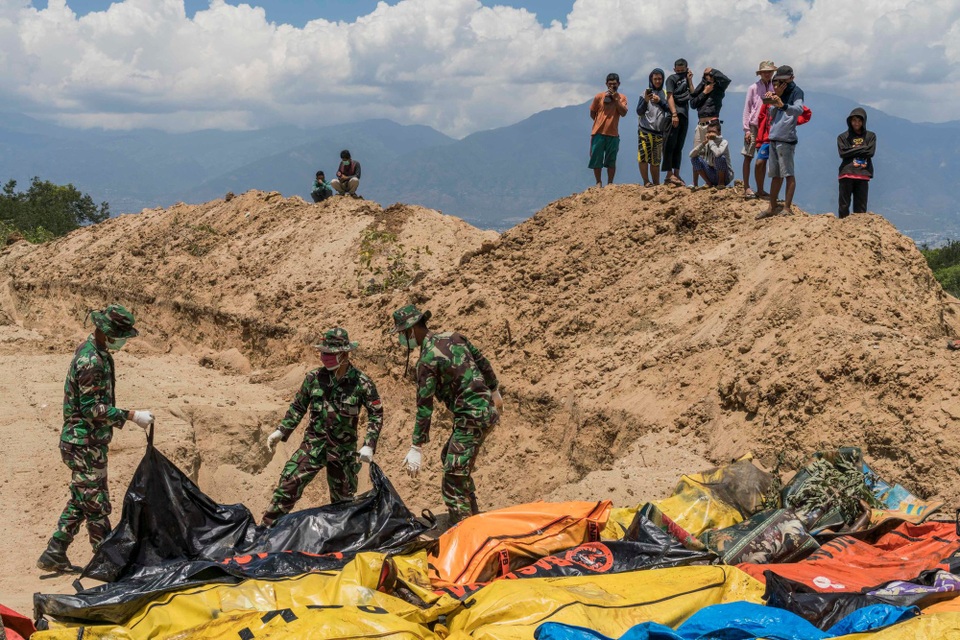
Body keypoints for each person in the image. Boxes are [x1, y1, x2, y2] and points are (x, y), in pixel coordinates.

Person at [37, 304, 155, 573]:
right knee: (96, 504)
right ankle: (107, 562)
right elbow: (92, 408)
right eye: (121, 335)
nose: (123, 341)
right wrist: (130, 415)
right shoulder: (91, 361)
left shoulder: (98, 352)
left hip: (87, 442)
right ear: (107, 331)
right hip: (83, 444)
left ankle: (55, 551)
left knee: (83, 498)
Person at [389, 305, 503, 525]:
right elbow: (483, 363)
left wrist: (416, 447)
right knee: (451, 459)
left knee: (452, 477)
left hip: (471, 418)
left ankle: (464, 529)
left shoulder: (426, 362)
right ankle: (473, 515)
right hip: (483, 412)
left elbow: (424, 406)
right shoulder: (455, 337)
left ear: (411, 331)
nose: (402, 340)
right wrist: (494, 390)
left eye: (402, 334)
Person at [261, 327, 383, 526]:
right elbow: (298, 407)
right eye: (323, 353)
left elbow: (376, 413)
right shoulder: (313, 378)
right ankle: (265, 532)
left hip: (343, 452)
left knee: (343, 504)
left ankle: (342, 544)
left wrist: (369, 444)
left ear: (344, 354)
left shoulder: (362, 383)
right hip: (313, 446)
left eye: (330, 353)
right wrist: (281, 430)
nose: (324, 357)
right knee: (288, 486)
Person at [756, 65, 804, 220]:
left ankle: (787, 207)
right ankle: (771, 206)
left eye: (784, 80)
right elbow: (771, 113)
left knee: (788, 173)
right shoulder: (780, 92)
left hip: (787, 138)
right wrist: (775, 97)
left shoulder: (797, 92)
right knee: (775, 174)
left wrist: (783, 104)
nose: (782, 84)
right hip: (774, 136)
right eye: (779, 81)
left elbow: (798, 109)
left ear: (791, 78)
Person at [741, 61, 776, 199]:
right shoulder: (753, 88)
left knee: (762, 158)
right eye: (765, 71)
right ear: (760, 73)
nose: (767, 74)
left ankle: (760, 189)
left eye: (769, 71)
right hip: (754, 125)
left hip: (768, 126)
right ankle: (746, 187)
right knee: (748, 155)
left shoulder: (775, 87)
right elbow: (747, 108)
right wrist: (747, 130)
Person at [589, 73, 629, 188]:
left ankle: (610, 182)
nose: (612, 86)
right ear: (606, 84)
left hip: (613, 133)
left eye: (614, 84)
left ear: (619, 84)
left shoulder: (622, 98)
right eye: (610, 84)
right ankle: (598, 182)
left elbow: (624, 113)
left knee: (611, 159)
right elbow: (592, 112)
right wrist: (599, 122)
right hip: (598, 132)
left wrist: (616, 99)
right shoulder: (599, 97)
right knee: (597, 158)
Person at [837, 107, 876, 218]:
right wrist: (863, 148)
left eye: (859, 120)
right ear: (850, 121)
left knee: (861, 208)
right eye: (854, 120)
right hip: (846, 173)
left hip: (863, 175)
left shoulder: (870, 136)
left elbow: (871, 152)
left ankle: (859, 230)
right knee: (844, 206)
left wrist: (851, 150)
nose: (856, 123)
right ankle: (842, 228)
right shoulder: (843, 137)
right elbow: (842, 153)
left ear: (864, 121)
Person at [662, 59, 694, 186]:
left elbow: (693, 94)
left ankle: (676, 173)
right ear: (674, 69)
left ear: (687, 68)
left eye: (683, 70)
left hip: (685, 115)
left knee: (679, 146)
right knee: (669, 145)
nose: (680, 72)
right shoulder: (671, 79)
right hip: (674, 115)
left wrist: (690, 80)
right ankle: (669, 175)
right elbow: (669, 96)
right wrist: (674, 114)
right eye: (678, 70)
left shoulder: (687, 79)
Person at [636, 68, 670, 187]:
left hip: (659, 131)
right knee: (643, 157)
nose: (657, 81)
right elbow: (639, 111)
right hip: (645, 129)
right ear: (651, 79)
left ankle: (656, 183)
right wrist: (646, 100)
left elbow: (669, 109)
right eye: (655, 79)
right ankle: (646, 181)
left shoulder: (665, 94)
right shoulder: (643, 93)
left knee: (656, 160)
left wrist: (660, 101)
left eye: (659, 79)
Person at [689, 122, 733, 187]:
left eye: (713, 131)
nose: (710, 134)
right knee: (695, 159)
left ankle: (721, 183)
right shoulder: (707, 144)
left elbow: (717, 154)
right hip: (712, 174)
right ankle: (708, 182)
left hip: (725, 176)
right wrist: (703, 143)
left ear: (719, 133)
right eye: (709, 132)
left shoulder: (723, 142)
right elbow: (691, 155)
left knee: (720, 158)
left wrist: (711, 141)